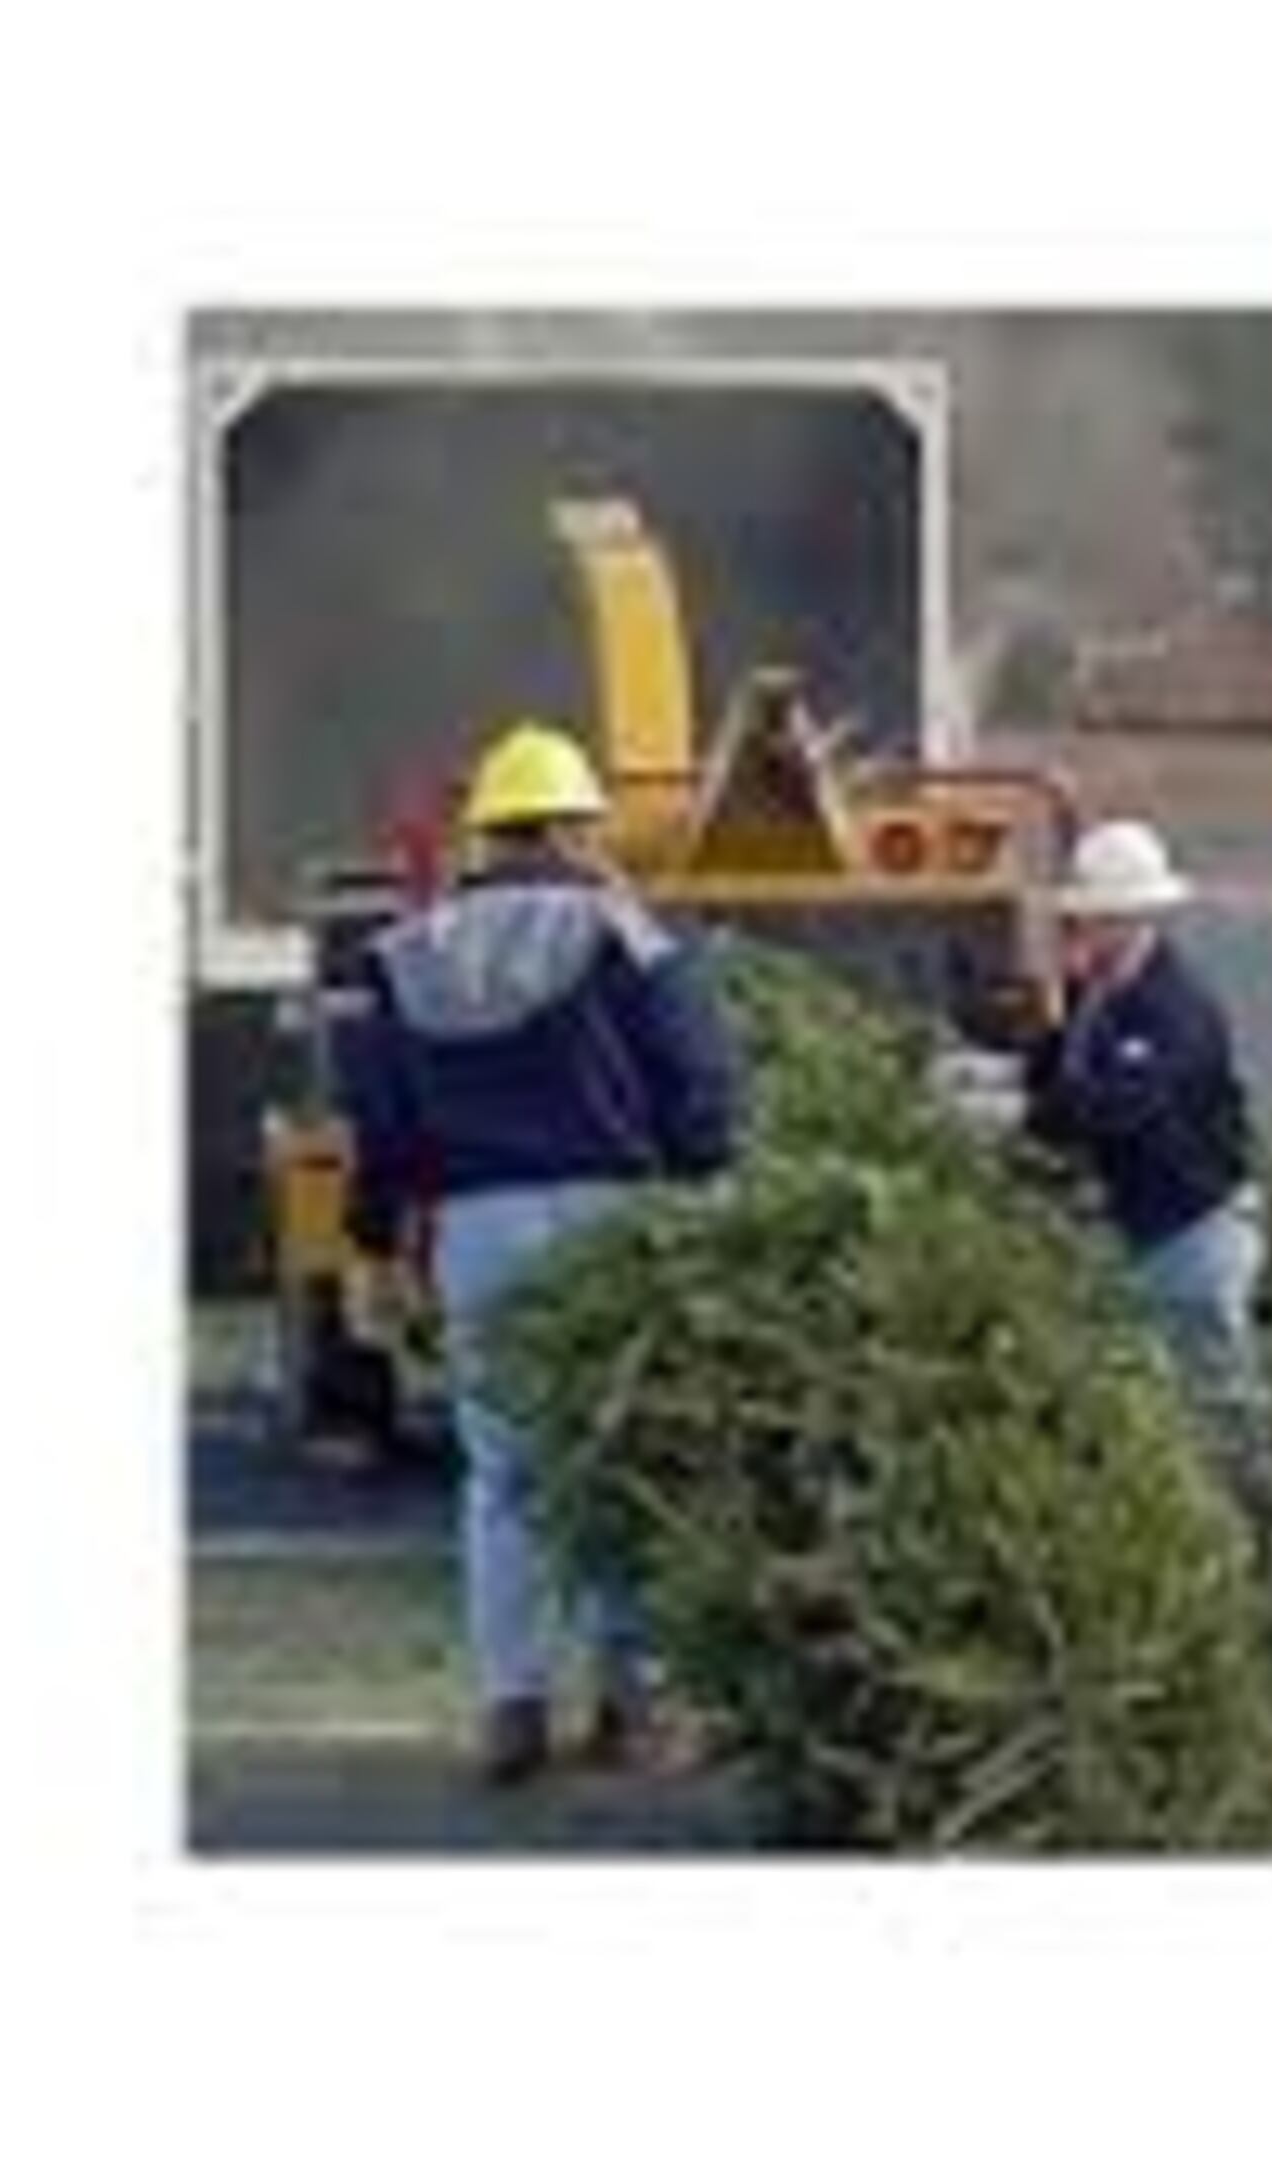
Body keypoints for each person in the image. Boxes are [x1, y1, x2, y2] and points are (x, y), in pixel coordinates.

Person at [336, 720, 741, 1786]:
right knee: (624, 1457)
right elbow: (695, 1085)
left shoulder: (404, 955)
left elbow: (379, 1126)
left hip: (479, 1229)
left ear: (484, 834)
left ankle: (512, 1707)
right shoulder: (626, 935)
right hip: (614, 1219)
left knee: (504, 1475)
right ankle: (635, 1704)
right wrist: (706, 1185)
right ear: (573, 827)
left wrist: (383, 1237)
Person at [1020, 818, 1271, 1511]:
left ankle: (1257, 1526)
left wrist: (1036, 1114)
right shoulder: (1104, 996)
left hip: (1194, 1229)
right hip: (1146, 1228)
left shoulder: (1173, 1010)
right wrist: (1045, 1032)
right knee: (1163, 1392)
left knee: (1217, 1401)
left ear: (1134, 920)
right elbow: (1059, 1078)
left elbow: (1110, 1109)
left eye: (1095, 921)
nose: (1083, 934)